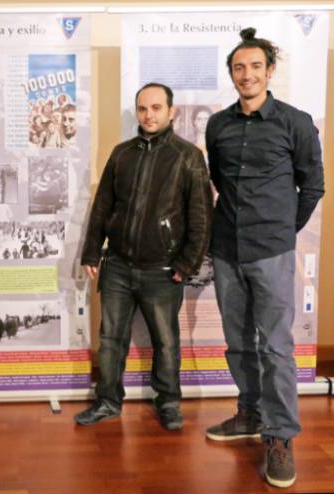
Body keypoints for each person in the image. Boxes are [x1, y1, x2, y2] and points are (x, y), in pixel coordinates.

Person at [204, 28, 324, 489]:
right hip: (226, 249)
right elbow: (220, 180)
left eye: (255, 66)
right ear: (232, 74)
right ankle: (250, 414)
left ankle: (280, 437)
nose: (247, 74)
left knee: (275, 347)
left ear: (269, 71)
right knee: (238, 343)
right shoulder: (218, 125)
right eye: (239, 67)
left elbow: (312, 185)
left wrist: (281, 230)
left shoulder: (296, 122)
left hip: (271, 251)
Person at [74, 82, 212, 431]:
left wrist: (185, 265)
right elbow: (103, 205)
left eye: (156, 108)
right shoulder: (122, 154)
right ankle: (107, 402)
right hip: (118, 266)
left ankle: (168, 402)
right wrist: (92, 251)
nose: (149, 115)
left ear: (171, 111)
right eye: (142, 108)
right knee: (110, 340)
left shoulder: (188, 156)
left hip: (163, 270)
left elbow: (201, 217)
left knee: (166, 342)